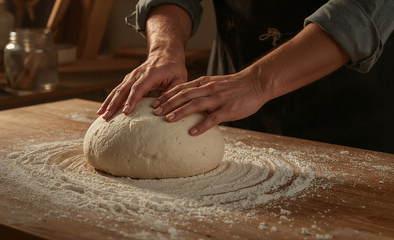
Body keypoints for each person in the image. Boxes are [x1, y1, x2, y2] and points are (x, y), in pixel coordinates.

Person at [97, 0, 394, 153]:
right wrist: (164, 49)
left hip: (355, 116)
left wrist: (256, 82)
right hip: (232, 111)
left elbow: (361, 10)